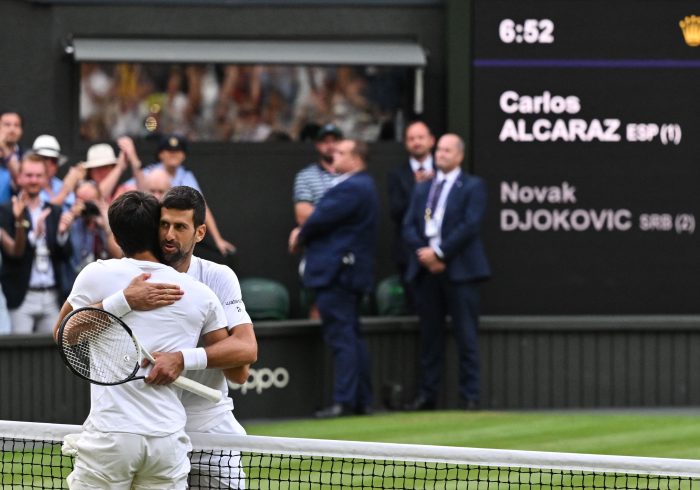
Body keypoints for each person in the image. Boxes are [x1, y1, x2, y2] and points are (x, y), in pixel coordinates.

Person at [53, 190, 230, 489]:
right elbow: (236, 360)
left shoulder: (95, 275)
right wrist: (125, 300)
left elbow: (62, 334)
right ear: (156, 231)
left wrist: (118, 303)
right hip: (167, 443)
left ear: (117, 235)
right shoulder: (201, 293)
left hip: (110, 440)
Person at [94, 186, 257, 488]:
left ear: (200, 233)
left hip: (209, 430)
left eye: (180, 227)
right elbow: (67, 327)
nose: (169, 235)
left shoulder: (217, 278)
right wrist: (124, 300)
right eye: (164, 225)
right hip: (152, 429)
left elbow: (243, 362)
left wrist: (183, 359)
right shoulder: (126, 275)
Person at [289, 139, 378, 418]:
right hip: (345, 272)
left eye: (341, 152)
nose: (334, 155)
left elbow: (319, 218)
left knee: (343, 337)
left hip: (338, 273)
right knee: (351, 335)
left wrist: (299, 236)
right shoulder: (358, 185)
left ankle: (345, 401)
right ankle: (361, 400)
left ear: (356, 158)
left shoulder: (353, 186)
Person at [402, 133, 490, 411]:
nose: (441, 154)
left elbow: (470, 225)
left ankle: (470, 397)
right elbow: (409, 226)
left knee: (466, 335)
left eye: (447, 150)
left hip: (460, 271)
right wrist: (426, 254)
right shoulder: (422, 188)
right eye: (439, 149)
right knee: (429, 338)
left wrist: (440, 254)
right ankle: (427, 396)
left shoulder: (473, 186)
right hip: (427, 272)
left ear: (460, 156)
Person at [0, 153, 73, 334]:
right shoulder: (6, 210)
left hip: (52, 295)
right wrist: (34, 234)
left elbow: (66, 254)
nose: (33, 180)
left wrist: (62, 235)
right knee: (20, 355)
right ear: (19, 177)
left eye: (38, 176)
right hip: (22, 296)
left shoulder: (54, 211)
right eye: (29, 175)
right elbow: (13, 254)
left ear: (46, 178)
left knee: (53, 354)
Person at [138, 134, 235, 256]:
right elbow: (127, 190)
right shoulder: (149, 172)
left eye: (177, 151)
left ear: (183, 155)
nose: (173, 154)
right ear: (160, 154)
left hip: (176, 230)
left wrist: (217, 239)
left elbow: (202, 205)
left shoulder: (185, 176)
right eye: (168, 150)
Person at [290, 123, 342, 318]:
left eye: (334, 141)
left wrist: (321, 215)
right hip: (318, 251)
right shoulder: (306, 176)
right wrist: (340, 217)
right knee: (318, 304)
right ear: (317, 145)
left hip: (348, 253)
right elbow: (303, 215)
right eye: (325, 141)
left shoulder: (351, 175)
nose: (330, 146)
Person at [387, 121, 435, 312]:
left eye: (420, 137)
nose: (416, 142)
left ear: (431, 140)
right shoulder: (397, 175)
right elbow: (396, 212)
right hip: (409, 252)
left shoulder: (443, 170)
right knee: (414, 307)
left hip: (442, 252)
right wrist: (417, 190)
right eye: (411, 139)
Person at [62, 180, 122, 296]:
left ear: (100, 200)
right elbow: (58, 250)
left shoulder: (108, 222)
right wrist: (69, 221)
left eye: (91, 202)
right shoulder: (70, 222)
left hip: (105, 291)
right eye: (82, 202)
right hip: (74, 290)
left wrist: (107, 226)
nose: (87, 206)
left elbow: (118, 255)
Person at [32, 134, 74, 209]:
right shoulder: (29, 186)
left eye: (54, 160)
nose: (49, 164)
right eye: (44, 158)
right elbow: (40, 215)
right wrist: (65, 191)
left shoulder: (61, 184)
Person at [0, 111, 24, 204]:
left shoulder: (26, 155)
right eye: (7, 125)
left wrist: (3, 147)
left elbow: (20, 179)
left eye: (16, 125)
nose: (12, 129)